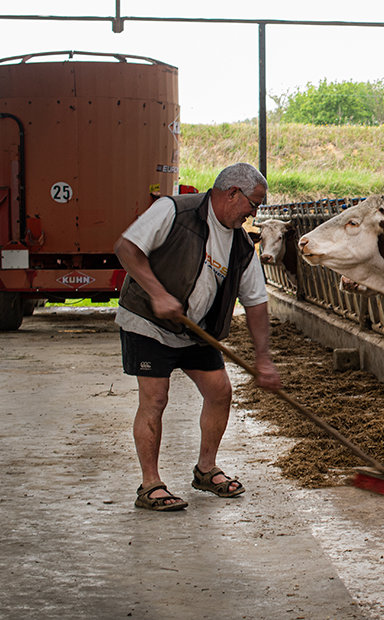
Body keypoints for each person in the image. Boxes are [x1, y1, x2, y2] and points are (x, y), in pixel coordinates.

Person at [114, 163, 282, 511]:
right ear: (232, 193)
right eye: (253, 204)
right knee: (155, 398)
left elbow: (256, 303)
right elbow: (126, 248)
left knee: (220, 392)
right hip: (149, 320)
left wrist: (262, 358)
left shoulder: (240, 247)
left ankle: (206, 470)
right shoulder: (174, 211)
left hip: (195, 329)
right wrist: (158, 293)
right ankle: (151, 485)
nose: (253, 214)